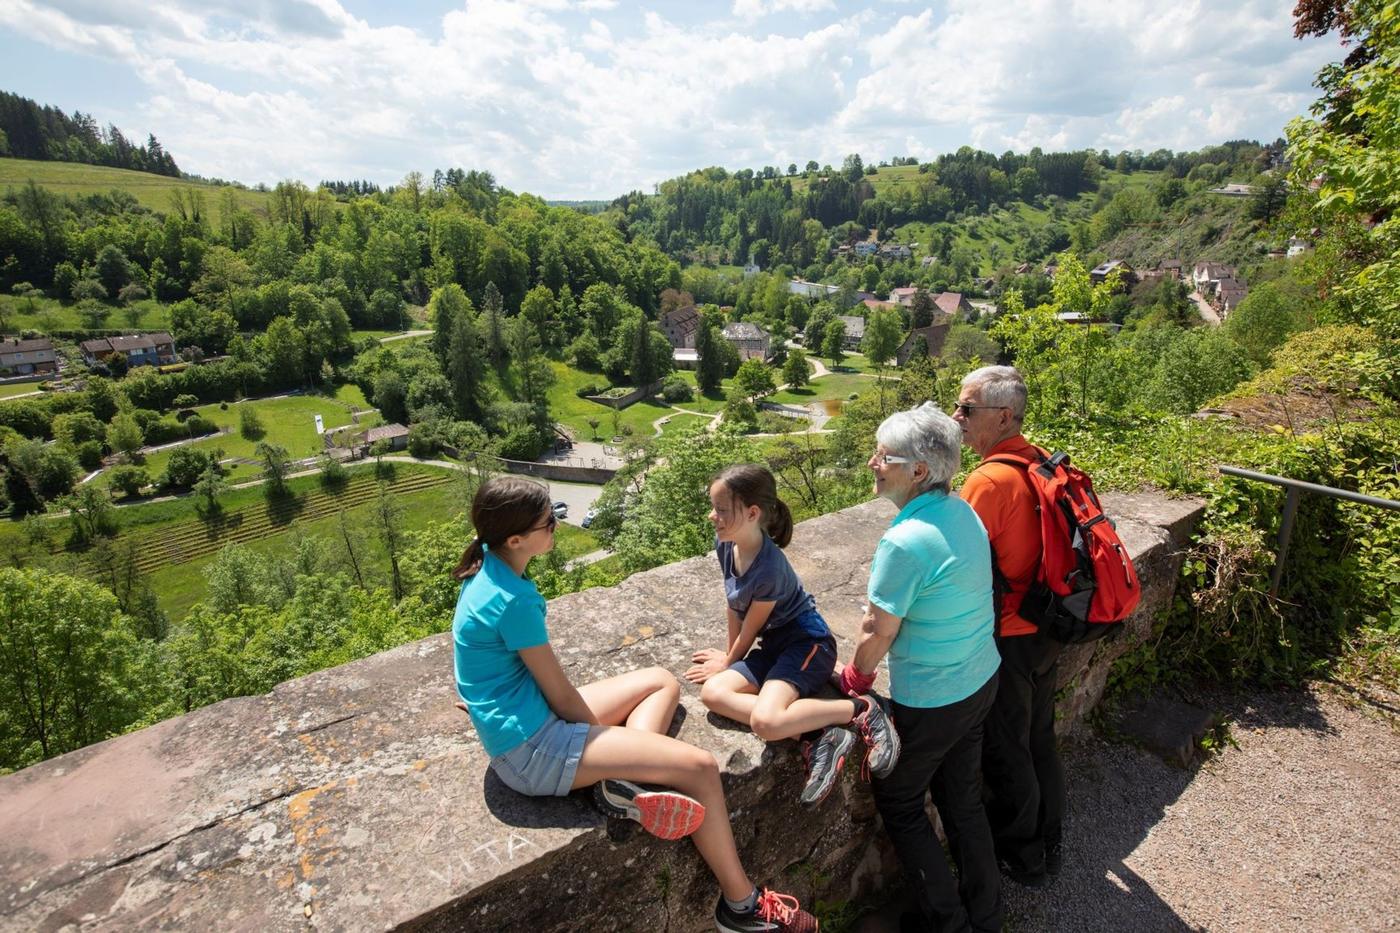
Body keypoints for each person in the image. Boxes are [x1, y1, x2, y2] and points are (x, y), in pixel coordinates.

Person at [452, 475, 818, 933]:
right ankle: (740, 907)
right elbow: (563, 696)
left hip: (525, 721)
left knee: (661, 682)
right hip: (532, 749)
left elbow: (475, 664)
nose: (556, 527)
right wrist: (605, 739)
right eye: (550, 522)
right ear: (515, 538)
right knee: (701, 768)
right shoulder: (513, 600)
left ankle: (621, 784)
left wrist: (488, 706)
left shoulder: (486, 567)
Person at [845, 402, 1003, 933]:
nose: (872, 462)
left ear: (917, 471)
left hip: (935, 696)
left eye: (882, 455)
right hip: (979, 676)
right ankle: (986, 911)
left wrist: (853, 682)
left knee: (903, 801)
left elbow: (876, 631)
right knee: (961, 797)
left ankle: (948, 923)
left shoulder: (904, 541)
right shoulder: (961, 511)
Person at [684, 464, 900, 806]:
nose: (713, 516)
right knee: (714, 693)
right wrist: (727, 662)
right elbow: (733, 606)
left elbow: (751, 626)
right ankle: (818, 733)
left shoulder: (769, 567)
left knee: (766, 722)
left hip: (806, 645)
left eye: (721, 510)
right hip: (775, 647)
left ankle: (860, 708)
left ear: (753, 513)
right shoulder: (726, 544)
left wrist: (729, 662)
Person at [953, 365, 1064, 887]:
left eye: (966, 409)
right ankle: (1051, 834)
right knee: (1039, 733)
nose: (957, 418)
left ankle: (1024, 856)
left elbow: (957, 563)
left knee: (1006, 745)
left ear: (1000, 416)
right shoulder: (1040, 459)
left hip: (1011, 631)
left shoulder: (987, 480)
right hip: (1050, 620)